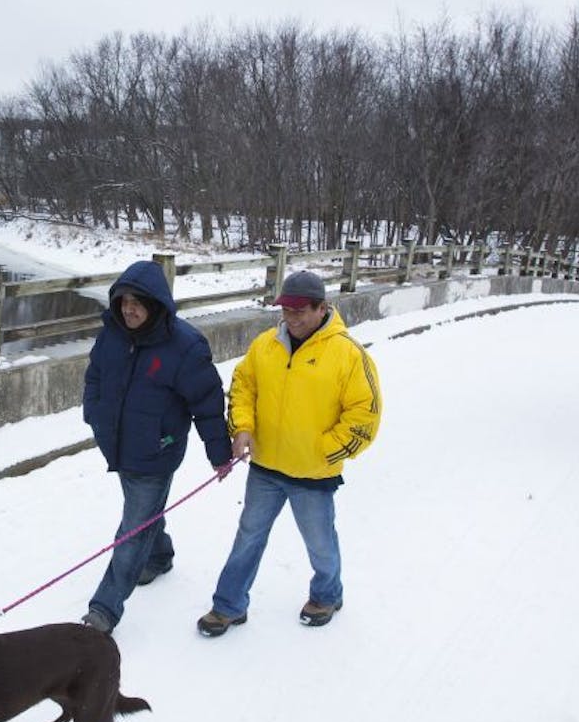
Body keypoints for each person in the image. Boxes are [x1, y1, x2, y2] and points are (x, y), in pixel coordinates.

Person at [197, 270, 382, 637]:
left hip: (313, 475)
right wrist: (243, 428)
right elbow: (243, 385)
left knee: (319, 541)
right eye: (286, 310)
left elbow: (366, 414)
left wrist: (322, 451)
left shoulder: (347, 354)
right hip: (265, 468)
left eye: (301, 311)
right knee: (248, 535)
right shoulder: (266, 345)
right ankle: (229, 605)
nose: (292, 318)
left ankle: (327, 595)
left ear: (321, 308)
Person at [81, 260, 234, 634]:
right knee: (146, 515)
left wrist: (219, 453)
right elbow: (95, 376)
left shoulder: (184, 346)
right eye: (123, 301)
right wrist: (95, 416)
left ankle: (104, 608)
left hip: (155, 453)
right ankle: (160, 556)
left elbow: (207, 403)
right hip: (117, 444)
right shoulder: (112, 335)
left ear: (157, 304)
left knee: (133, 529)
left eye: (138, 302)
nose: (129, 309)